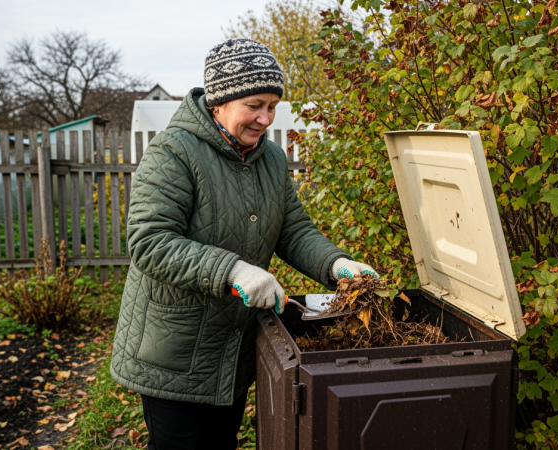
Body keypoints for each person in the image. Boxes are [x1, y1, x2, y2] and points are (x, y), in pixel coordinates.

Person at [109, 38, 378, 450]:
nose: (265, 118)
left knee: (222, 442)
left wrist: (338, 265)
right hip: (174, 349)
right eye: (254, 105)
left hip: (232, 346)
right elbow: (150, 242)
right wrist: (233, 271)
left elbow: (294, 230)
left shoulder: (269, 158)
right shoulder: (173, 152)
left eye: (272, 106)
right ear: (219, 102)